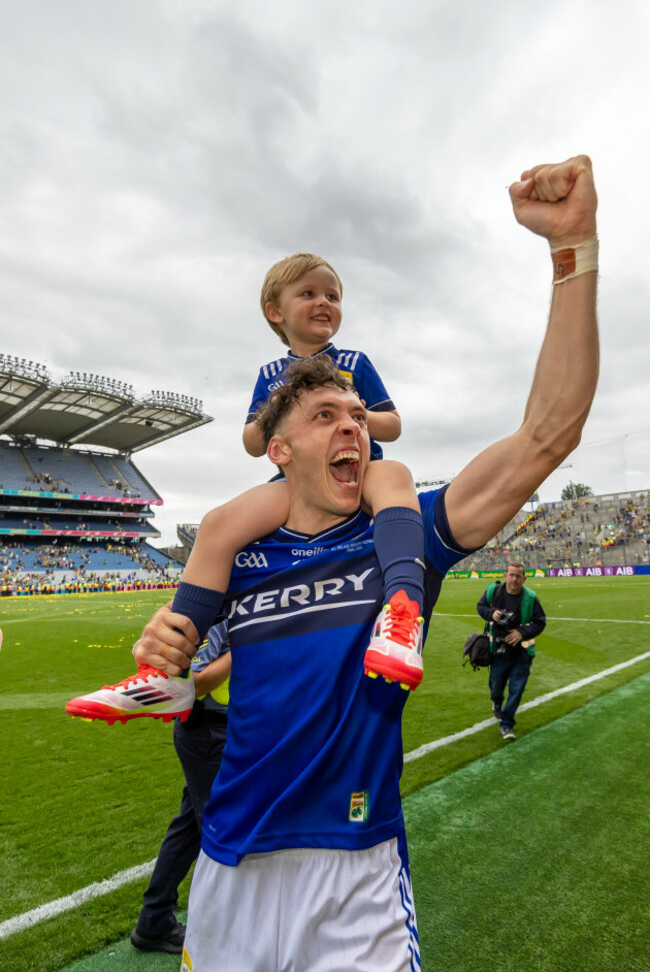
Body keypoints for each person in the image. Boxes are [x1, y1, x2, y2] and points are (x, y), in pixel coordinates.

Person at [127, 154, 599, 972]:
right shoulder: (240, 546)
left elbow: (547, 434)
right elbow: (178, 665)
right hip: (229, 875)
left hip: (357, 879)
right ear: (278, 448)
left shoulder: (407, 528)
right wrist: (165, 654)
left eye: (358, 413)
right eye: (325, 415)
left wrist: (573, 252)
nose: (354, 426)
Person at [65, 255, 433, 726]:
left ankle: (401, 619)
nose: (324, 302)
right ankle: (168, 671)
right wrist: (280, 417)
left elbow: (393, 425)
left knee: (395, 475)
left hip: (362, 473)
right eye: (309, 293)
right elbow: (252, 442)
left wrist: (356, 411)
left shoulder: (354, 363)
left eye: (333, 296)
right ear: (274, 311)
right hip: (296, 484)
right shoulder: (270, 374)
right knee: (219, 523)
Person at [130, 622, 231, 955]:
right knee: (220, 834)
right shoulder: (216, 614)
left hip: (223, 730)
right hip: (206, 733)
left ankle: (154, 920)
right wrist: (244, 650)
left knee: (189, 827)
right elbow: (194, 683)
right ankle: (229, 930)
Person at [476, 562, 546, 741]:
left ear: (524, 578)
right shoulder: (494, 590)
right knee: (496, 687)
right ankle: (496, 702)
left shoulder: (530, 597)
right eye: (512, 575)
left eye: (518, 576)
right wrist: (491, 614)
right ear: (505, 575)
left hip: (522, 652)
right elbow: (481, 606)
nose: (514, 579)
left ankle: (506, 724)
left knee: (517, 688)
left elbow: (540, 621)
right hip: (498, 650)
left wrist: (521, 632)